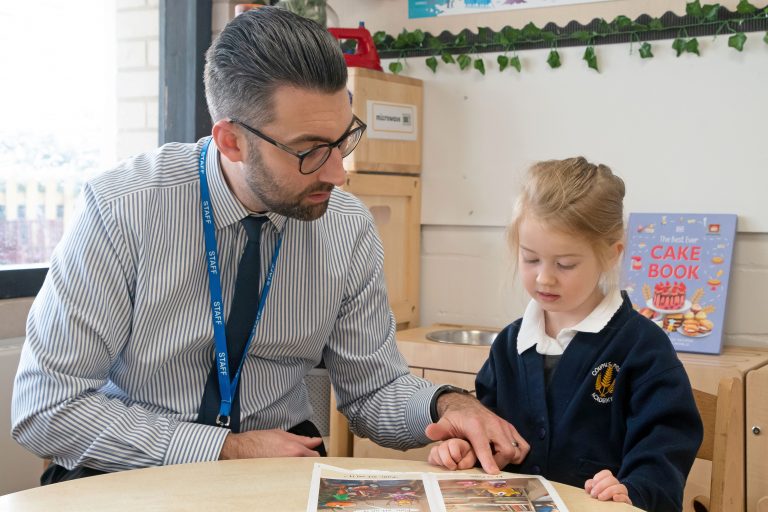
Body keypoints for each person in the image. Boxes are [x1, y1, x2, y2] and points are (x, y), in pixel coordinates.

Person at [11, 7, 525, 484]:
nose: (338, 173)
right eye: (309, 151)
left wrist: (449, 406)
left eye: (343, 140)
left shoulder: (346, 227)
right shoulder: (122, 209)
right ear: (231, 141)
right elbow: (46, 408)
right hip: (129, 471)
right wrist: (225, 449)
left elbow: (374, 389)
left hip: (281, 465)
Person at [427, 157, 702, 512]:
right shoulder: (509, 346)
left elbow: (665, 450)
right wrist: (468, 450)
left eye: (565, 264)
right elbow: (492, 436)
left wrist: (633, 492)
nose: (545, 278)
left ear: (611, 255)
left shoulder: (643, 348)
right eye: (531, 259)